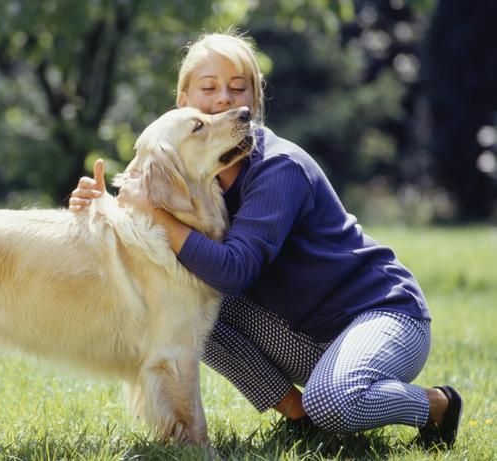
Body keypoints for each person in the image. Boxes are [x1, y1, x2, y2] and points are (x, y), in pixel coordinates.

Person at [68, 31, 462, 448]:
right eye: (209, 88)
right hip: (304, 335)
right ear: (182, 102)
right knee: (183, 300)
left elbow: (233, 270)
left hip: (382, 317)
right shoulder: (183, 174)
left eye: (238, 89)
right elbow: (144, 234)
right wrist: (98, 206)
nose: (224, 99)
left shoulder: (279, 168)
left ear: (254, 103)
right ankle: (300, 414)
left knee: (337, 402)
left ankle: (436, 406)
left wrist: (153, 214)